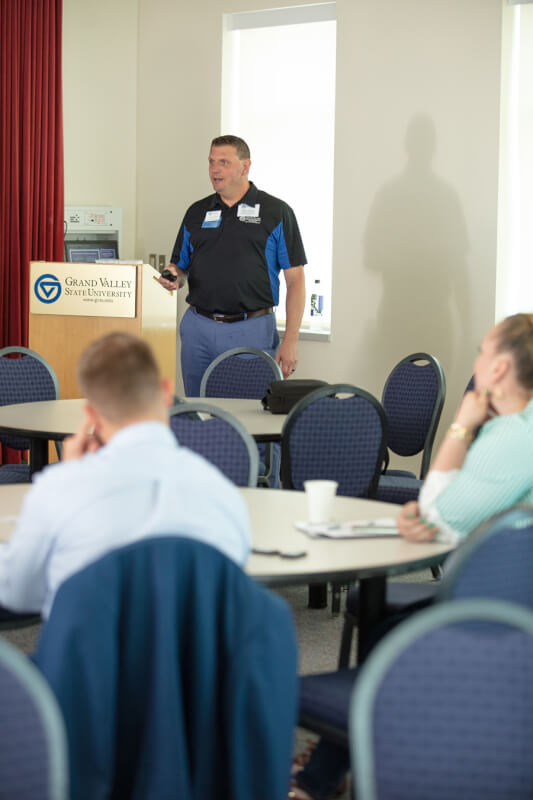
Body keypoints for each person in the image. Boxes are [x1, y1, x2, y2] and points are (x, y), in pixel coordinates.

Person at [290, 312, 533, 800]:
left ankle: (340, 760)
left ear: (501, 370)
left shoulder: (511, 438)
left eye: (485, 352)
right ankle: (328, 771)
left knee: (388, 637)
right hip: (511, 606)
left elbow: (428, 518)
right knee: (383, 626)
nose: (477, 360)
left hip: (494, 625)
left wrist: (463, 424)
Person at [0, 332, 251, 620]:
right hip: (196, 662)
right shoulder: (222, 493)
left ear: (91, 415)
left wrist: (70, 478)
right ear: (167, 393)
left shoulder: (59, 492)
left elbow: (19, 594)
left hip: (88, 662)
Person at [159, 134, 307, 396]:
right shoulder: (196, 212)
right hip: (198, 329)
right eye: (211, 162)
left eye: (224, 162)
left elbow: (295, 280)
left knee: (248, 416)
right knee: (200, 412)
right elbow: (180, 267)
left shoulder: (276, 212)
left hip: (252, 328)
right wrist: (173, 276)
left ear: (245, 166)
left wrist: (291, 339)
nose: (214, 170)